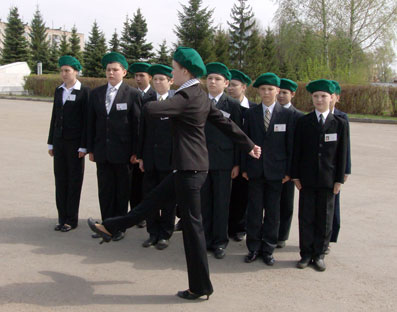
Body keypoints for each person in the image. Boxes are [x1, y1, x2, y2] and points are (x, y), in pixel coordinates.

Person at [88, 46, 261, 300]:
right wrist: (249, 145)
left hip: (190, 170)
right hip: (189, 167)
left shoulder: (187, 96)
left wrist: (142, 99)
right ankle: (111, 227)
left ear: (184, 70)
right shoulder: (199, 95)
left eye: (173, 68)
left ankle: (201, 286)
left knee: (193, 229)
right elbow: (224, 123)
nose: (170, 72)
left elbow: (152, 110)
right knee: (152, 201)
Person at [291, 79, 348, 271]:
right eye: (316, 96)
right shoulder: (303, 122)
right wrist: (295, 176)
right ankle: (306, 253)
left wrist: (339, 179)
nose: (319, 99)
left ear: (331, 98)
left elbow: (342, 153)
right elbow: (296, 151)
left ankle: (320, 253)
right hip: (306, 179)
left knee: (325, 217)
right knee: (306, 216)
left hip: (328, 179)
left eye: (323, 96)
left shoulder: (339, 124)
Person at [87, 52, 141, 242]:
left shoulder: (133, 94)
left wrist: (136, 151)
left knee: (121, 191)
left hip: (124, 152)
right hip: (102, 151)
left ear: (124, 72)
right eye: (108, 70)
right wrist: (90, 148)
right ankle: (106, 224)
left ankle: (119, 227)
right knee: (105, 189)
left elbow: (137, 125)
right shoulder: (96, 93)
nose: (111, 73)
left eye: (115, 70)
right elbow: (91, 123)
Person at [241, 73, 294, 266]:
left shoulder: (287, 115)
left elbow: (290, 146)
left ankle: (268, 248)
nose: (266, 92)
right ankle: (253, 247)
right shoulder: (251, 113)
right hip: (255, 170)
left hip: (276, 172)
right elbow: (244, 141)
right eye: (263, 89)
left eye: (270, 89)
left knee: (273, 212)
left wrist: (288, 171)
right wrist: (245, 166)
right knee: (254, 211)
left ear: (277, 91)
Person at [201, 62, 242, 259]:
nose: (212, 82)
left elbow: (239, 136)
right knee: (204, 202)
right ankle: (205, 239)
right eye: (209, 78)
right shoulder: (199, 101)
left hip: (224, 162)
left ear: (226, 83)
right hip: (201, 160)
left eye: (217, 79)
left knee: (221, 203)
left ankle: (219, 242)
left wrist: (236, 163)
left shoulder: (233, 105)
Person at [47, 55, 89, 232]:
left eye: (67, 71)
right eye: (62, 70)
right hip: (59, 142)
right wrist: (51, 142)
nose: (64, 74)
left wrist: (84, 145)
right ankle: (61, 217)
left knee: (74, 180)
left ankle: (71, 219)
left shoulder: (84, 92)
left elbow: (87, 121)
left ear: (76, 72)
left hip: (75, 145)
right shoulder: (59, 90)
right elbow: (54, 117)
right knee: (61, 180)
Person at [137, 64, 176, 250]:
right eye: (156, 79)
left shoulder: (176, 101)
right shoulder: (147, 99)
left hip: (169, 160)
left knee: (168, 198)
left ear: (171, 81)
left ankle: (165, 234)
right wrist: (141, 157)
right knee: (150, 197)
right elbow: (141, 131)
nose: (158, 83)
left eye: (162, 79)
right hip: (150, 158)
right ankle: (152, 233)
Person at [227, 69, 256, 242]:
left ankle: (238, 227)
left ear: (244, 87)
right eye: (229, 85)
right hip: (226, 156)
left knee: (242, 194)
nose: (230, 88)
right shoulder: (224, 105)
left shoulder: (251, 109)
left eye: (234, 85)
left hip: (245, 158)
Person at [276, 78, 304, 248]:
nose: (280, 95)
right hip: (271, 165)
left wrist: (291, 172)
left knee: (286, 203)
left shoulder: (298, 117)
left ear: (292, 94)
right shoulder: (271, 111)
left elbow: (297, 147)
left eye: (284, 93)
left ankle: (282, 235)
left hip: (288, 168)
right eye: (278, 92)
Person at [128, 62, 156, 227]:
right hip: (133, 148)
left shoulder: (155, 95)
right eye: (136, 76)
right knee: (134, 184)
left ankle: (146, 215)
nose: (138, 79)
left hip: (150, 148)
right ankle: (135, 214)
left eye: (142, 76)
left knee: (148, 184)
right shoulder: (130, 94)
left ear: (150, 77)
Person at [328, 80, 351, 251]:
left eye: (331, 95)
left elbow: (345, 146)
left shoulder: (342, 118)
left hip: (335, 168)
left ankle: (329, 236)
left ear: (336, 98)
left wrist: (346, 170)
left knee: (333, 203)